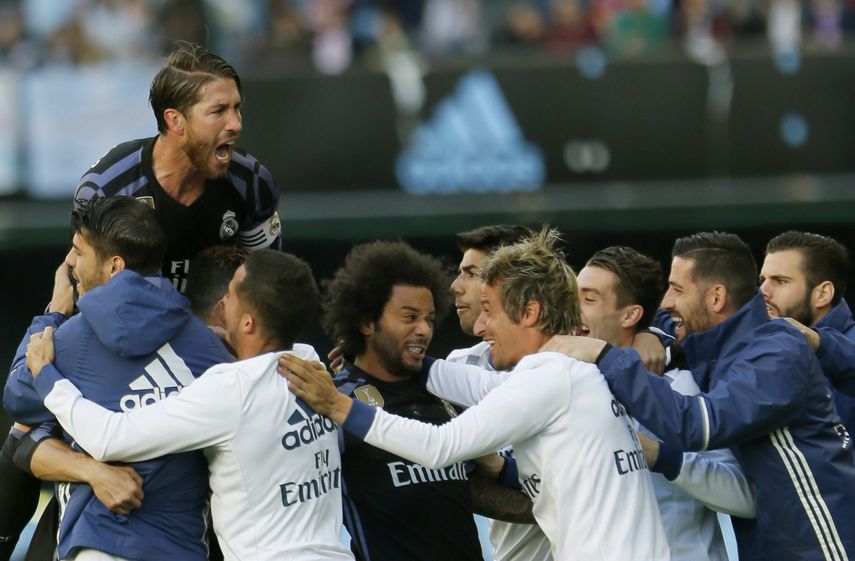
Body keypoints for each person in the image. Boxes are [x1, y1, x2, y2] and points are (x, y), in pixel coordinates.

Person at [283, 229, 670, 561]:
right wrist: (400, 354)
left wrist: (338, 405)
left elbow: (441, 445)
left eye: (489, 309)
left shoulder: (549, 378)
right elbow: (483, 387)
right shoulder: (572, 373)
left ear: (531, 312)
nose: (481, 326)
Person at [542, 231, 855, 561]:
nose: (666, 301)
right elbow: (647, 314)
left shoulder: (775, 352)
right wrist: (647, 332)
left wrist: (606, 355)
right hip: (771, 542)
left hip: (821, 541)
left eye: (677, 289)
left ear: (717, 298)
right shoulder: (711, 341)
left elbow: (697, 426)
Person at [25, 249, 354, 561]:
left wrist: (46, 378)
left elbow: (111, 437)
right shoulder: (311, 365)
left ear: (248, 323)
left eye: (232, 295)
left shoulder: (231, 389)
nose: (222, 301)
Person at [4, 196, 233, 561]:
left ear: (114, 266)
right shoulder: (208, 350)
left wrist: (52, 314)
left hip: (101, 545)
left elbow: (18, 399)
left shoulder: (69, 339)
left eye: (79, 252)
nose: (71, 264)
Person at [307, 240, 488, 561]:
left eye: (430, 320)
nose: (423, 330)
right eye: (409, 317)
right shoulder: (332, 401)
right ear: (366, 322)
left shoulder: (445, 394)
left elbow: (471, 491)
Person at [577, 246, 755, 561]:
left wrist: (664, 458)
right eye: (572, 296)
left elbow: (745, 496)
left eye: (589, 299)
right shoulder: (565, 385)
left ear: (631, 315)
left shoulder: (681, 386)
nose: (572, 309)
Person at [74, 40, 282, 293]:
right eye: (218, 111)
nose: (236, 124)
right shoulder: (106, 189)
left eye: (236, 108)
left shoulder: (250, 182)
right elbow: (84, 292)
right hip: (130, 327)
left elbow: (266, 285)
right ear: (175, 120)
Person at [759, 231, 855, 431]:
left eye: (780, 281)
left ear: (823, 294)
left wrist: (821, 345)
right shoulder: (762, 348)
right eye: (762, 280)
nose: (763, 292)